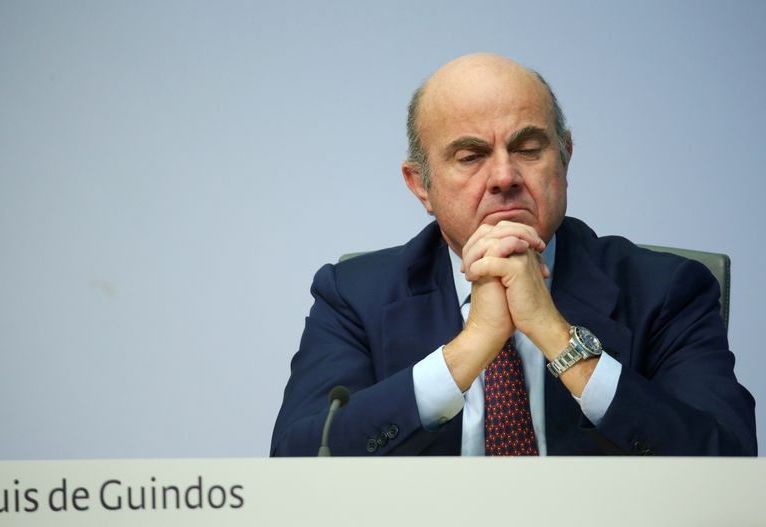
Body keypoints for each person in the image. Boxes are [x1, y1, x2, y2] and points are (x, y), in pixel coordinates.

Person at [270, 53, 757, 456]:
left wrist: (555, 335)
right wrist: (472, 344)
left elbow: (729, 464)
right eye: (471, 156)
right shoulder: (353, 295)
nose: (504, 176)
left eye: (528, 148)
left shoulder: (667, 290)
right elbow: (300, 459)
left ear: (564, 157)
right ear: (421, 185)